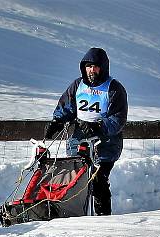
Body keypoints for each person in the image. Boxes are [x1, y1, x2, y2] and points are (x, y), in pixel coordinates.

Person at [43, 47, 127, 216]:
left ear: (103, 67)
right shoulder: (77, 85)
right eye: (88, 66)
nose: (92, 70)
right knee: (77, 181)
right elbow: (66, 107)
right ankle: (75, 217)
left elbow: (117, 119)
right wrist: (57, 121)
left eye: (95, 66)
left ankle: (103, 217)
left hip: (105, 145)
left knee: (98, 181)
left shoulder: (114, 88)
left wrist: (99, 127)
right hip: (79, 141)